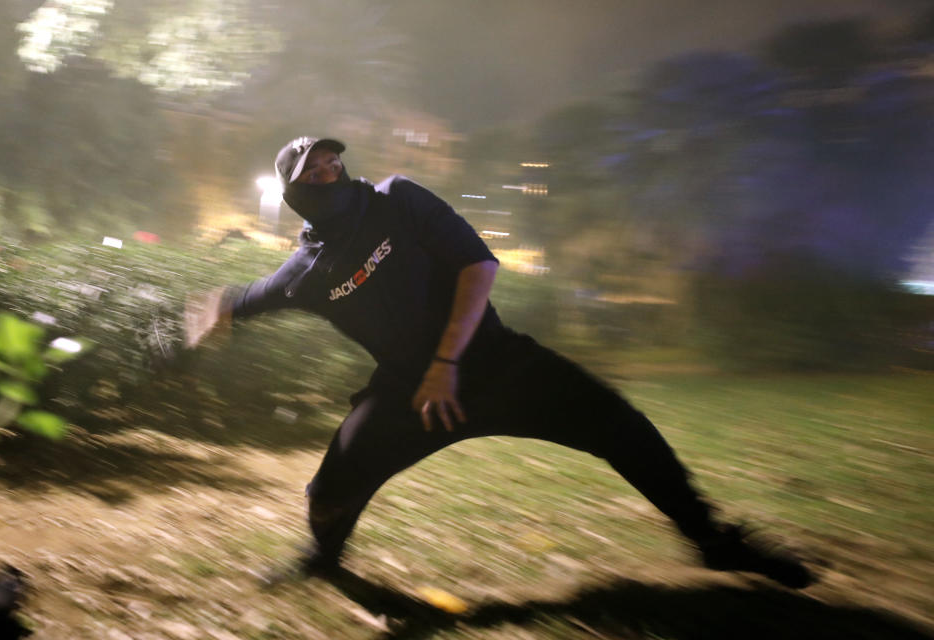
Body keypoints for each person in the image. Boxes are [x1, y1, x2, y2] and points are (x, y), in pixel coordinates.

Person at [185, 136, 815, 589]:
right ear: (295, 193)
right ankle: (324, 561)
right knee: (330, 489)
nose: (329, 173)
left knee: (621, 427)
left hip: (494, 364)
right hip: (412, 394)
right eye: (313, 172)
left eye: (333, 161)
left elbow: (479, 265)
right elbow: (253, 296)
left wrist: (446, 361)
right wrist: (215, 310)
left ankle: (714, 542)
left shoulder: (396, 200)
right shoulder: (308, 273)